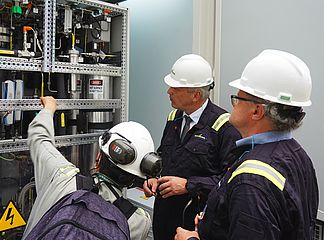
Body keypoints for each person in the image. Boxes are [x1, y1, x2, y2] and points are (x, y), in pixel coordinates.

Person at [174, 49, 319, 240]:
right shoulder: (298, 155)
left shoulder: (252, 180)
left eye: (238, 97)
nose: (233, 103)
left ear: (257, 111)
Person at [22, 96, 162, 240]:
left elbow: (39, 139)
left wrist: (48, 108)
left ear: (98, 158)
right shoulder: (138, 222)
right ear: (135, 178)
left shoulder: (61, 176)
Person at [143, 54, 241, 240]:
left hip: (194, 223)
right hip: (164, 217)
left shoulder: (224, 127)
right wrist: (153, 178)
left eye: (175, 87)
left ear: (196, 94)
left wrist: (189, 185)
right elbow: (163, 155)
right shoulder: (174, 118)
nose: (168, 91)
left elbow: (229, 182)